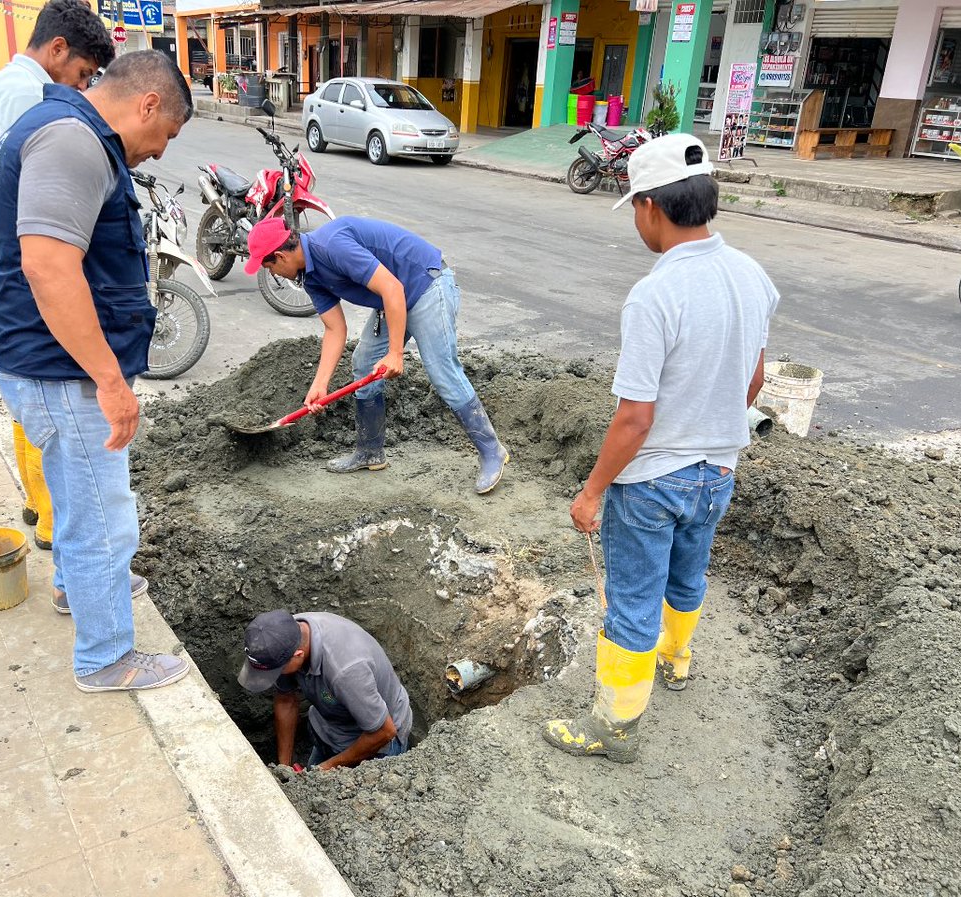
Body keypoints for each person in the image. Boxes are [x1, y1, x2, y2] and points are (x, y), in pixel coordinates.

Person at [542, 134, 778, 762]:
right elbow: (754, 379)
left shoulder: (655, 295)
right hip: (719, 469)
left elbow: (634, 420)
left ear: (650, 206)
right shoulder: (752, 276)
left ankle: (614, 728)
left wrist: (592, 492)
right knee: (688, 573)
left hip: (652, 482)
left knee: (631, 601)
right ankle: (677, 659)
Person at [0, 50, 195, 692]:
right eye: (165, 137)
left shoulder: (65, 133)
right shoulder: (74, 142)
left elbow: (4, 240)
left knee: (77, 499)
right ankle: (106, 658)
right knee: (105, 518)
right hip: (64, 374)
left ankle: (77, 590)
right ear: (148, 104)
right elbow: (50, 267)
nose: (159, 153)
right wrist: (109, 380)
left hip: (50, 367)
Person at [0, 0, 114, 554]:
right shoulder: (35, 99)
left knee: (31, 414)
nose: (79, 90)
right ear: (57, 49)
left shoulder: (0, 85)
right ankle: (56, 533)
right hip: (29, 287)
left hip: (9, 279)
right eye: (79, 76)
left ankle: (37, 505)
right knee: (56, 414)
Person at [245, 216, 508, 495]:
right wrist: (319, 384)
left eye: (268, 266)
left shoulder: (331, 246)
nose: (273, 273)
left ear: (280, 256)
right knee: (364, 363)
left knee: (441, 371)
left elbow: (393, 288)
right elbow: (335, 328)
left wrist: (396, 352)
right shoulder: (310, 275)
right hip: (393, 299)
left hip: (425, 285)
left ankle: (492, 451)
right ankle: (370, 451)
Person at [238, 610, 412, 771]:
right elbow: (286, 700)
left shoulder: (346, 671)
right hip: (331, 725)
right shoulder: (282, 639)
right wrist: (285, 767)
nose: (274, 676)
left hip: (376, 739)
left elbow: (384, 731)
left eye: (275, 671)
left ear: (298, 655)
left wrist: (323, 770)